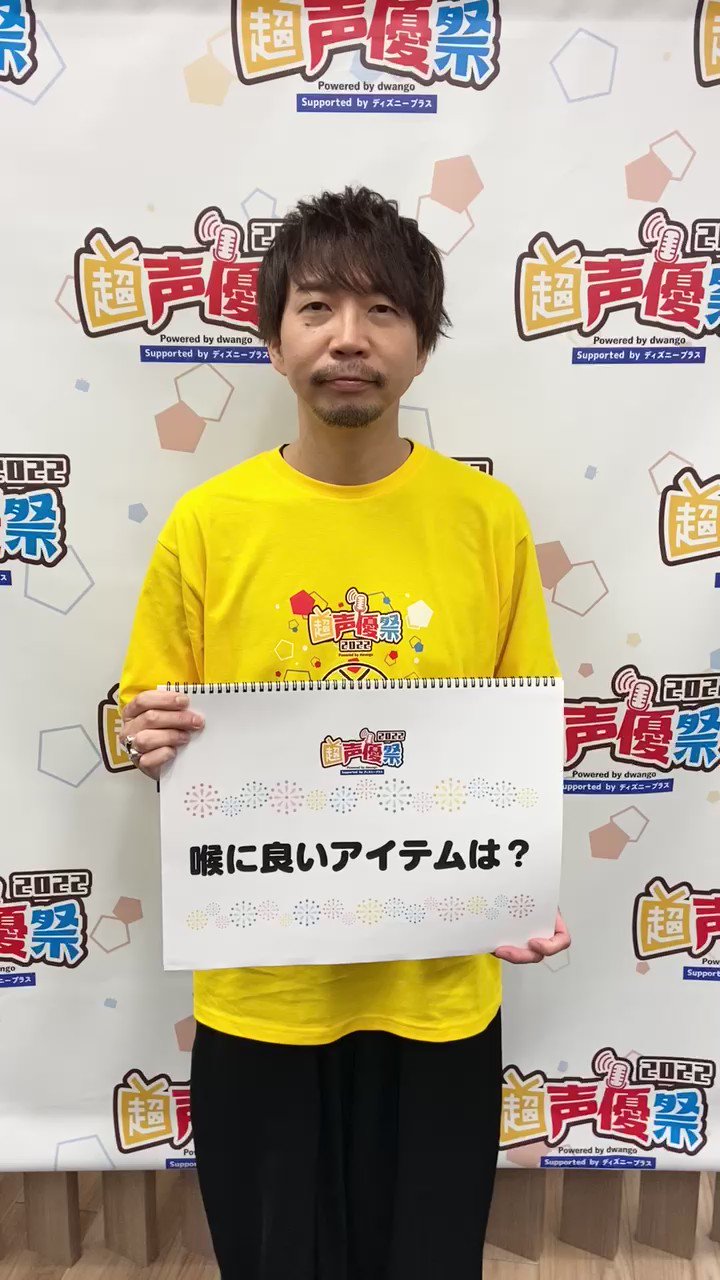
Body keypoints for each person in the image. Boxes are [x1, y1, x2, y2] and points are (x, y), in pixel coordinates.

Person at [119, 186, 570, 1280]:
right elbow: (150, 719)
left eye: (383, 310)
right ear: (275, 341)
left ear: (422, 344)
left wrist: (514, 882)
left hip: (436, 987)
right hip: (263, 989)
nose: (349, 337)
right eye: (317, 307)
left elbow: (520, 730)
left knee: (429, 1257)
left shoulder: (487, 520)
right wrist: (152, 736)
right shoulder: (208, 525)